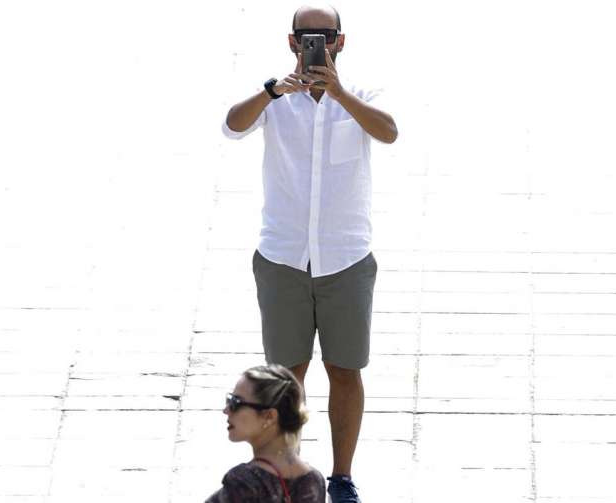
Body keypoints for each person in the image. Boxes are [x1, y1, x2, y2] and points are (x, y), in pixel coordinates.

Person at [221, 4, 398, 503]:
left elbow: (388, 131)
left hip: (345, 258)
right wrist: (271, 90)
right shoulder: (276, 98)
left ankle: (341, 479)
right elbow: (232, 126)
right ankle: (285, 474)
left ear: (341, 42)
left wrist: (338, 92)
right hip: (283, 259)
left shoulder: (362, 95)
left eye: (324, 36)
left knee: (345, 370)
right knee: (285, 376)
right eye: (306, 37)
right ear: (292, 43)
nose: (314, 44)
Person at [205, 364, 326, 502]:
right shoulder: (315, 481)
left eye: (235, 402)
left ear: (269, 416)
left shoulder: (243, 483)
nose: (226, 410)